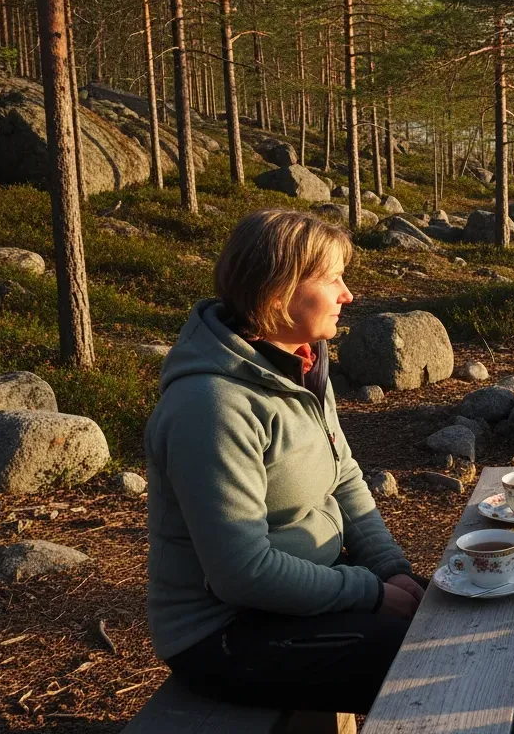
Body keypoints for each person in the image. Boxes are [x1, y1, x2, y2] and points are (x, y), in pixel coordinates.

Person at [145, 208, 423, 714]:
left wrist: (391, 570)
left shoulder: (302, 365)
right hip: (228, 632)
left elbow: (344, 478)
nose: (347, 295)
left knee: (453, 611)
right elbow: (242, 573)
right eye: (333, 279)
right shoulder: (212, 407)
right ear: (278, 292)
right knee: (426, 662)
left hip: (311, 589)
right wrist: (371, 592)